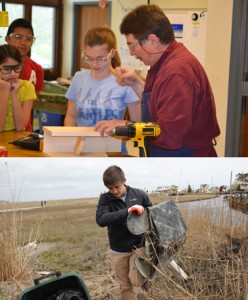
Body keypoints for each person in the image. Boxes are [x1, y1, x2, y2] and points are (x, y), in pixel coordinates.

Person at [95, 4, 221, 157]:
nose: (132, 53)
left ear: (153, 41)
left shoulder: (177, 72)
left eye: (132, 46)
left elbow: (169, 135)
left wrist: (127, 127)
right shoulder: (164, 62)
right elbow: (159, 103)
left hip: (184, 159)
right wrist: (136, 83)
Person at [64, 26, 141, 154]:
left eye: (100, 58)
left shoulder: (125, 80)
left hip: (114, 153)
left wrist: (121, 130)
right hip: (82, 151)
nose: (94, 64)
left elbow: (137, 126)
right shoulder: (78, 78)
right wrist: (70, 142)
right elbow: (71, 116)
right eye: (89, 58)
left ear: (113, 53)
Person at [96, 165, 152, 300]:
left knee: (136, 281)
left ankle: (145, 280)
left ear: (124, 181)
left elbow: (153, 215)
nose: (114, 191)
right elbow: (101, 220)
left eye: (117, 187)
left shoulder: (140, 194)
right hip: (118, 249)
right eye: (110, 188)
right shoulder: (105, 199)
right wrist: (127, 211)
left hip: (139, 246)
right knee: (125, 285)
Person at [6, 18, 44, 130]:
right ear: (8, 39)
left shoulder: (37, 69)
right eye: (18, 37)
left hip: (24, 130)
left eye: (28, 39)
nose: (23, 42)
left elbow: (33, 100)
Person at [0, 44, 36, 132]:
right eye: (6, 69)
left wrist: (14, 94)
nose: (13, 73)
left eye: (16, 68)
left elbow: (20, 127)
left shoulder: (27, 87)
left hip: (17, 139)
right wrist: (4, 91)